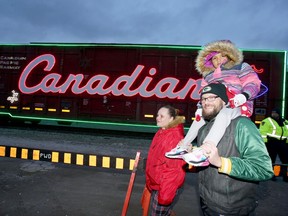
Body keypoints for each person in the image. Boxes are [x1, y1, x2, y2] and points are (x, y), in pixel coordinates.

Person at [165, 40, 261, 166]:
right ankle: (184, 146)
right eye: (214, 58)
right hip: (215, 104)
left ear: (228, 55)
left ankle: (206, 150)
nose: (218, 60)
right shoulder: (208, 75)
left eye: (221, 56)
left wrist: (244, 96)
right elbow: (205, 93)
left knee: (224, 114)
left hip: (236, 104)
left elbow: (253, 82)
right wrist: (200, 107)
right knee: (199, 119)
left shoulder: (241, 67)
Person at [185, 83, 274, 215]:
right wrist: (194, 150)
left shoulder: (242, 125)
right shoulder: (205, 128)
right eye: (203, 99)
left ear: (224, 101)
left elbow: (263, 168)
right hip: (206, 202)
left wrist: (222, 162)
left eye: (212, 98)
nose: (206, 102)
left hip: (231, 209)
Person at [144, 105, 186, 216]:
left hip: (164, 187)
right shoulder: (162, 131)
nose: (158, 118)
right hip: (158, 183)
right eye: (158, 115)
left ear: (171, 119)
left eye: (162, 116)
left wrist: (165, 194)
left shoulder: (173, 137)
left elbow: (174, 170)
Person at [259, 108, 288, 181]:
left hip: (283, 143)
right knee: (271, 160)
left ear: (279, 114)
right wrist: (264, 143)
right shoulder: (266, 121)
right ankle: (272, 175)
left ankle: (285, 175)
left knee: (285, 160)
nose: (273, 114)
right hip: (271, 142)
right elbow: (262, 133)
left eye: (275, 113)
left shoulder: (285, 122)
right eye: (272, 113)